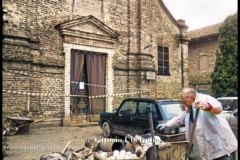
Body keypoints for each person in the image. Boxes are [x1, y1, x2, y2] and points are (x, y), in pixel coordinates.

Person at [156, 88, 238, 160]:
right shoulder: (190, 106)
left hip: (217, 142)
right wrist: (167, 124)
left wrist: (208, 107)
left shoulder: (206, 99)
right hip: (204, 145)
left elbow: (219, 109)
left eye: (184, 101)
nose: (183, 103)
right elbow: (181, 118)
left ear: (191, 97)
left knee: (221, 157)